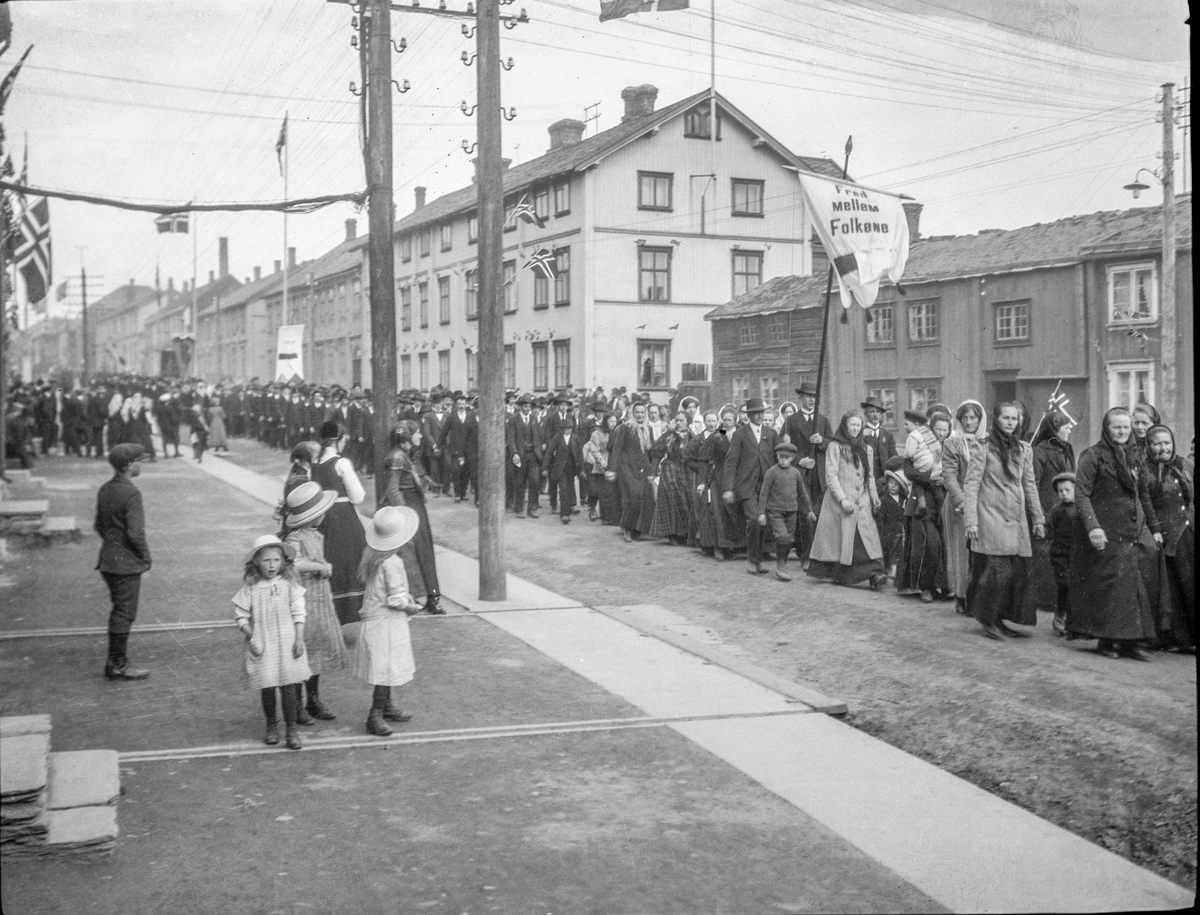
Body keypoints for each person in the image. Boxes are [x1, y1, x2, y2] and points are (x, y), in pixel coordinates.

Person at [1065, 407, 1162, 660]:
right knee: (1110, 587)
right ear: (1106, 429)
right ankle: (1106, 641)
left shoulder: (1136, 457)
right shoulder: (1093, 456)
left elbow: (1143, 497)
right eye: (1116, 427)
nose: (1121, 431)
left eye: (1125, 427)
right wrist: (1093, 527)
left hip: (1133, 532)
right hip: (1105, 531)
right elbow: (1082, 494)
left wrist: (1155, 529)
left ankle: (1129, 642)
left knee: (1131, 587)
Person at [964, 402, 1045, 641]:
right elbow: (971, 485)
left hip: (1016, 519)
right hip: (991, 517)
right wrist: (971, 520)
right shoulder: (983, 448)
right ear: (996, 420)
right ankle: (988, 619)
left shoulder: (1024, 449)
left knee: (1013, 573)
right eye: (1005, 418)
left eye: (1014, 419)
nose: (1010, 422)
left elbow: (1029, 485)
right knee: (997, 571)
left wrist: (1038, 518)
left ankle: (998, 618)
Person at [234, 535, 311, 750]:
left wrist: (298, 638)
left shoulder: (289, 584)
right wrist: (252, 636)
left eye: (276, 560)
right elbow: (240, 616)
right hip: (263, 642)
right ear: (256, 562)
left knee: (289, 687)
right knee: (267, 686)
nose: (271, 565)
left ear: (283, 562)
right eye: (266, 560)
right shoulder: (251, 587)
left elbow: (299, 613)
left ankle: (291, 730)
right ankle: (271, 726)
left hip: (287, 641)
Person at [356, 506, 424, 737]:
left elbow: (385, 592)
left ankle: (386, 706)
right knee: (385, 670)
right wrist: (411, 607)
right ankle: (374, 715)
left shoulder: (373, 557)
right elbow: (395, 599)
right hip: (386, 623)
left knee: (387, 667)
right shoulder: (392, 562)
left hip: (375, 621)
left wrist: (405, 597)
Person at [284, 483, 347, 723]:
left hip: (319, 600)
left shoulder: (314, 535)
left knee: (317, 650)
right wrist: (321, 567)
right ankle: (298, 704)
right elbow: (294, 564)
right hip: (304, 600)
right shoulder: (295, 538)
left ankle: (313, 699)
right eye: (320, 511)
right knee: (303, 650)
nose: (323, 515)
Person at [807, 410, 885, 589]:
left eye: (858, 425)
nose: (855, 428)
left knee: (867, 539)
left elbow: (870, 476)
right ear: (845, 425)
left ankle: (875, 575)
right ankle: (860, 576)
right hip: (840, 503)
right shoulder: (835, 446)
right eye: (852, 425)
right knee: (848, 541)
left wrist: (873, 496)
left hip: (862, 502)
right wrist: (842, 500)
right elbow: (831, 476)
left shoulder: (866, 449)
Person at [95, 443, 153, 680]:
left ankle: (115, 662)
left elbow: (98, 525)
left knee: (119, 610)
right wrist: (145, 557)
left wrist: (112, 543)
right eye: (139, 460)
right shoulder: (131, 493)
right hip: (125, 563)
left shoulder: (105, 489)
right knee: (124, 613)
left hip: (108, 560)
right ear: (129, 466)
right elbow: (135, 533)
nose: (142, 464)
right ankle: (118, 664)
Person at [382, 422, 444, 615]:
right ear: (406, 437)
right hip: (407, 505)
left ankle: (431, 597)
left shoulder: (408, 454)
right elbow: (392, 489)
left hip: (414, 503)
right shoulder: (397, 457)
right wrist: (403, 514)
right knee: (411, 551)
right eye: (416, 433)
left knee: (424, 549)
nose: (420, 436)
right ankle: (418, 597)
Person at [312, 420, 369, 625]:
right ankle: (354, 608)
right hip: (343, 516)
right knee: (353, 559)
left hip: (322, 516)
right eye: (344, 439)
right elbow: (358, 496)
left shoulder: (315, 463)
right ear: (338, 440)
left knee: (330, 558)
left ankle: (330, 611)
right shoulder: (341, 463)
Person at [1146, 424, 1194, 651]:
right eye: (1157, 443)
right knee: (1172, 588)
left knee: (1189, 583)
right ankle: (1178, 639)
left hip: (1188, 533)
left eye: (1167, 443)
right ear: (1149, 446)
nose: (1163, 448)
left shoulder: (1185, 465)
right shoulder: (1147, 472)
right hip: (1163, 536)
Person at [895, 410, 948, 603]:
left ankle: (941, 585)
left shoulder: (950, 446)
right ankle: (924, 586)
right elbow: (909, 471)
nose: (941, 433)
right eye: (938, 429)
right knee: (928, 544)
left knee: (943, 544)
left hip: (943, 498)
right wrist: (929, 478)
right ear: (931, 429)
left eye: (945, 429)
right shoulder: (921, 445)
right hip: (922, 499)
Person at [941, 400, 988, 615]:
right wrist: (962, 502)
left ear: (980, 419)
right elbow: (949, 476)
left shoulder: (987, 442)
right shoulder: (952, 443)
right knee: (961, 551)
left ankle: (979, 596)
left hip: (983, 503)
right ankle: (961, 596)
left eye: (973, 418)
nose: (969, 422)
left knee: (980, 552)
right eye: (965, 418)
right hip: (957, 503)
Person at [723, 397, 779, 575]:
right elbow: (731, 462)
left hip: (766, 486)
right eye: (756, 413)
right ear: (749, 415)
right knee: (754, 520)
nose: (760, 416)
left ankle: (758, 559)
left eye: (762, 413)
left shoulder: (771, 434)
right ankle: (752, 561)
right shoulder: (740, 434)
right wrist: (728, 488)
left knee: (764, 523)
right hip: (746, 486)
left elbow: (779, 458)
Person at [783, 382, 833, 566]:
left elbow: (833, 444)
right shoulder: (791, 421)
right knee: (805, 513)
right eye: (808, 396)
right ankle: (806, 555)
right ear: (801, 398)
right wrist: (799, 460)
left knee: (817, 514)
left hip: (819, 474)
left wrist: (822, 441)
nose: (811, 400)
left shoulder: (823, 420)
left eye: (814, 397)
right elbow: (782, 449)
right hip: (799, 474)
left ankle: (817, 554)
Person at [755, 442, 815, 581]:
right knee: (782, 537)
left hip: (791, 511)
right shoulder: (772, 472)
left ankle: (783, 564)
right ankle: (780, 566)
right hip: (775, 511)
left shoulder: (796, 473)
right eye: (781, 457)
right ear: (777, 456)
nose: (783, 460)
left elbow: (803, 493)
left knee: (789, 540)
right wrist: (761, 512)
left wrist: (810, 510)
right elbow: (764, 493)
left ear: (792, 458)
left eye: (786, 457)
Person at [607, 400, 656, 543]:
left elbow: (649, 452)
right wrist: (612, 469)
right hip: (627, 467)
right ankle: (627, 528)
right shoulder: (625, 428)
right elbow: (617, 449)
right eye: (637, 412)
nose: (640, 415)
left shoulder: (648, 429)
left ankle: (637, 529)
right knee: (634, 497)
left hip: (643, 468)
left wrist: (652, 470)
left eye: (642, 412)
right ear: (632, 414)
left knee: (646, 498)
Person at [648, 413, 694, 544]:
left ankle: (684, 533)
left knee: (687, 499)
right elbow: (657, 454)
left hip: (687, 470)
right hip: (671, 470)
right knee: (671, 499)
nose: (679, 423)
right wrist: (652, 473)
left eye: (682, 420)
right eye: (677, 420)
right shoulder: (669, 436)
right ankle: (672, 534)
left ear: (688, 422)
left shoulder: (692, 436)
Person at [1046, 472, 1078, 636]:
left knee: (1077, 586)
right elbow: (1049, 530)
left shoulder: (1082, 508)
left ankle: (1073, 620)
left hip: (1077, 553)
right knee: (1064, 584)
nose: (1064, 494)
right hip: (1060, 553)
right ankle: (1059, 617)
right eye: (1060, 491)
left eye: (1067, 490)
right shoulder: (1056, 511)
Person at [506, 393, 544, 519]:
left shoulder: (533, 419)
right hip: (520, 456)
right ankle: (519, 508)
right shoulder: (513, 420)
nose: (528, 409)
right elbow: (510, 439)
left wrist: (539, 449)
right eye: (525, 406)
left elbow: (538, 436)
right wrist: (514, 453)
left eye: (529, 406)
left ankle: (532, 509)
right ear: (520, 406)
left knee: (534, 481)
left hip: (533, 455)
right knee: (520, 482)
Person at [438, 392, 478, 503]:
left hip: (468, 448)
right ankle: (457, 494)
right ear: (456, 405)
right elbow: (444, 432)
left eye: (463, 403)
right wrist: (438, 445)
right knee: (457, 471)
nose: (461, 405)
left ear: (466, 404)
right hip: (455, 448)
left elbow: (475, 431)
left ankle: (463, 493)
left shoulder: (471, 415)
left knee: (466, 472)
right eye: (459, 403)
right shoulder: (452, 417)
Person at [879, 461, 907, 581]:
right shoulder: (884, 499)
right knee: (888, 549)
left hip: (900, 529)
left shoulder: (902, 500)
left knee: (899, 549)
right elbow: (882, 516)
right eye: (891, 483)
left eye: (896, 484)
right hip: (888, 529)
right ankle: (888, 568)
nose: (893, 486)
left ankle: (896, 570)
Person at [860, 397, 896, 481]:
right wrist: (862, 436)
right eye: (872, 412)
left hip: (884, 478)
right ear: (865, 415)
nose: (875, 415)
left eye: (878, 412)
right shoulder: (860, 434)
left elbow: (893, 457)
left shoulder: (888, 435)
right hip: (865, 477)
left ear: (881, 415)